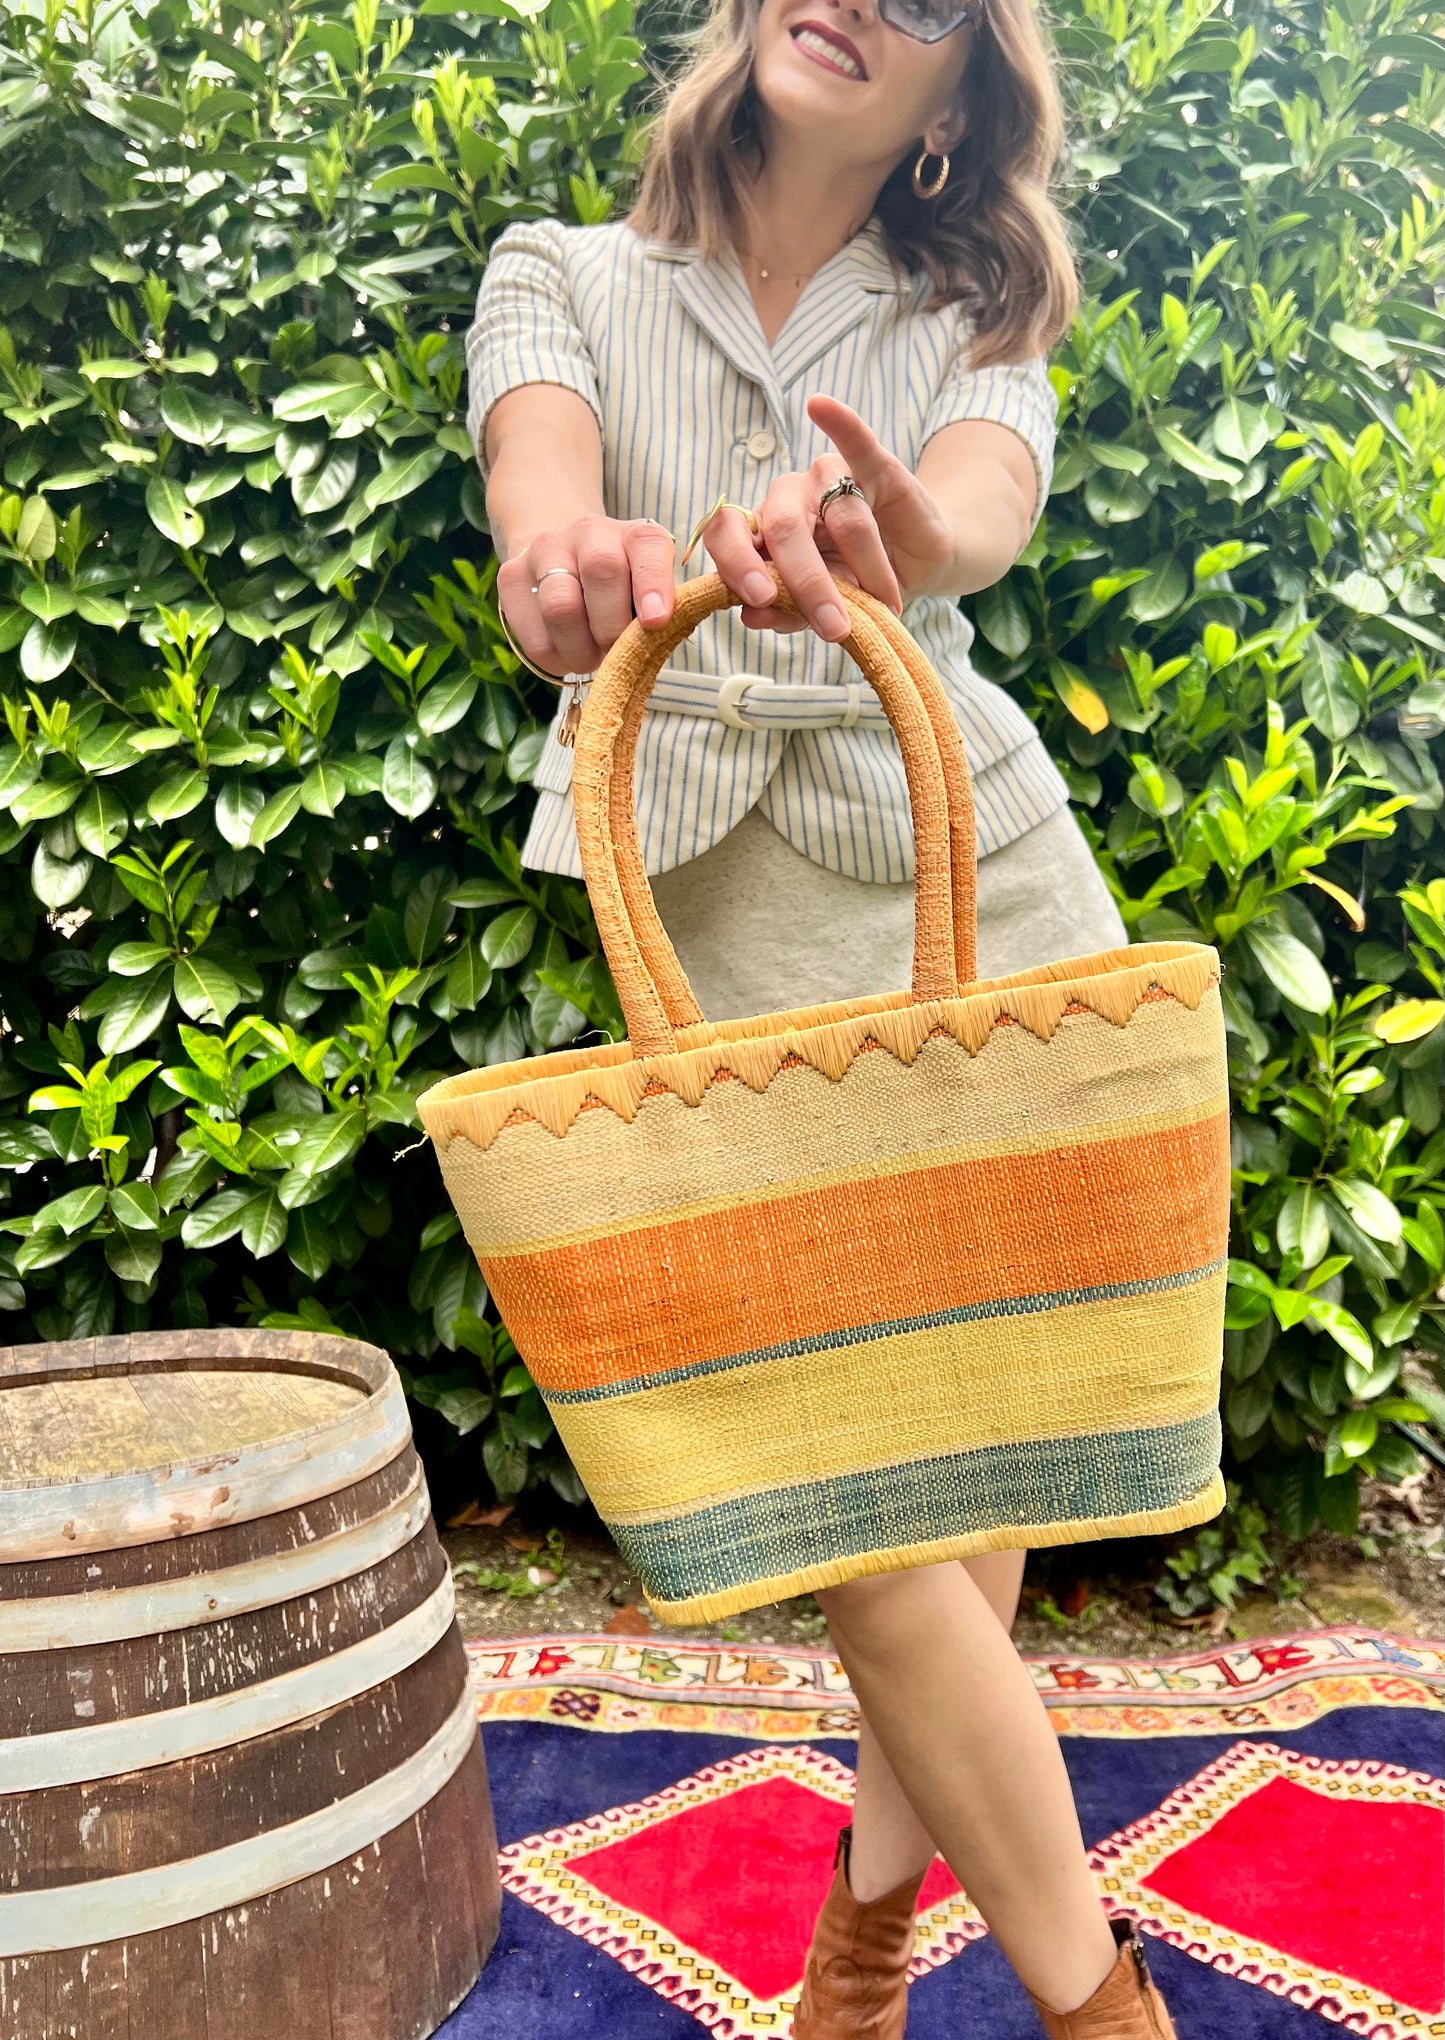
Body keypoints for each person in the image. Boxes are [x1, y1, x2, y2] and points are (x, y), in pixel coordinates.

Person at [467, 0, 1179, 2032]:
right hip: (712, 923)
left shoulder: (982, 311)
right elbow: (539, 501)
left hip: (987, 879)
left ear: (968, 88)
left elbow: (975, 508)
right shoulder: (568, 275)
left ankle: (861, 1947)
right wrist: (569, 566)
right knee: (860, 1479)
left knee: (980, 1468)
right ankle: (1092, 1999)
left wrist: (897, 537)